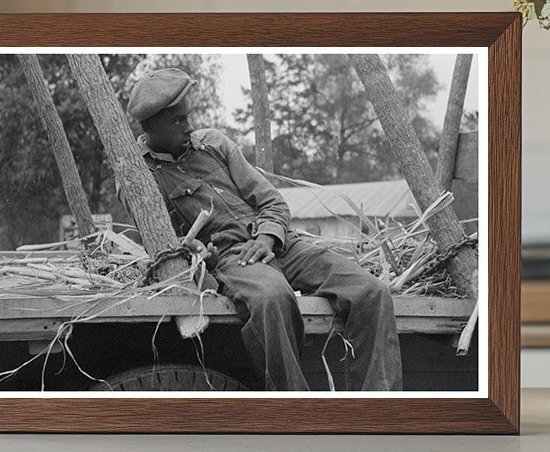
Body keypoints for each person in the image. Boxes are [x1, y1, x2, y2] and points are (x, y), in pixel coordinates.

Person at [123, 67, 403, 392]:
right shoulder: (140, 176)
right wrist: (198, 257)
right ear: (151, 126)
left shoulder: (214, 144)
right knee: (273, 299)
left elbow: (272, 200)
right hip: (234, 260)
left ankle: (378, 410)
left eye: (188, 116)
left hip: (281, 244)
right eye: (177, 121)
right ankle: (294, 409)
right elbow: (163, 247)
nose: (189, 126)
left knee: (371, 291)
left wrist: (268, 235)